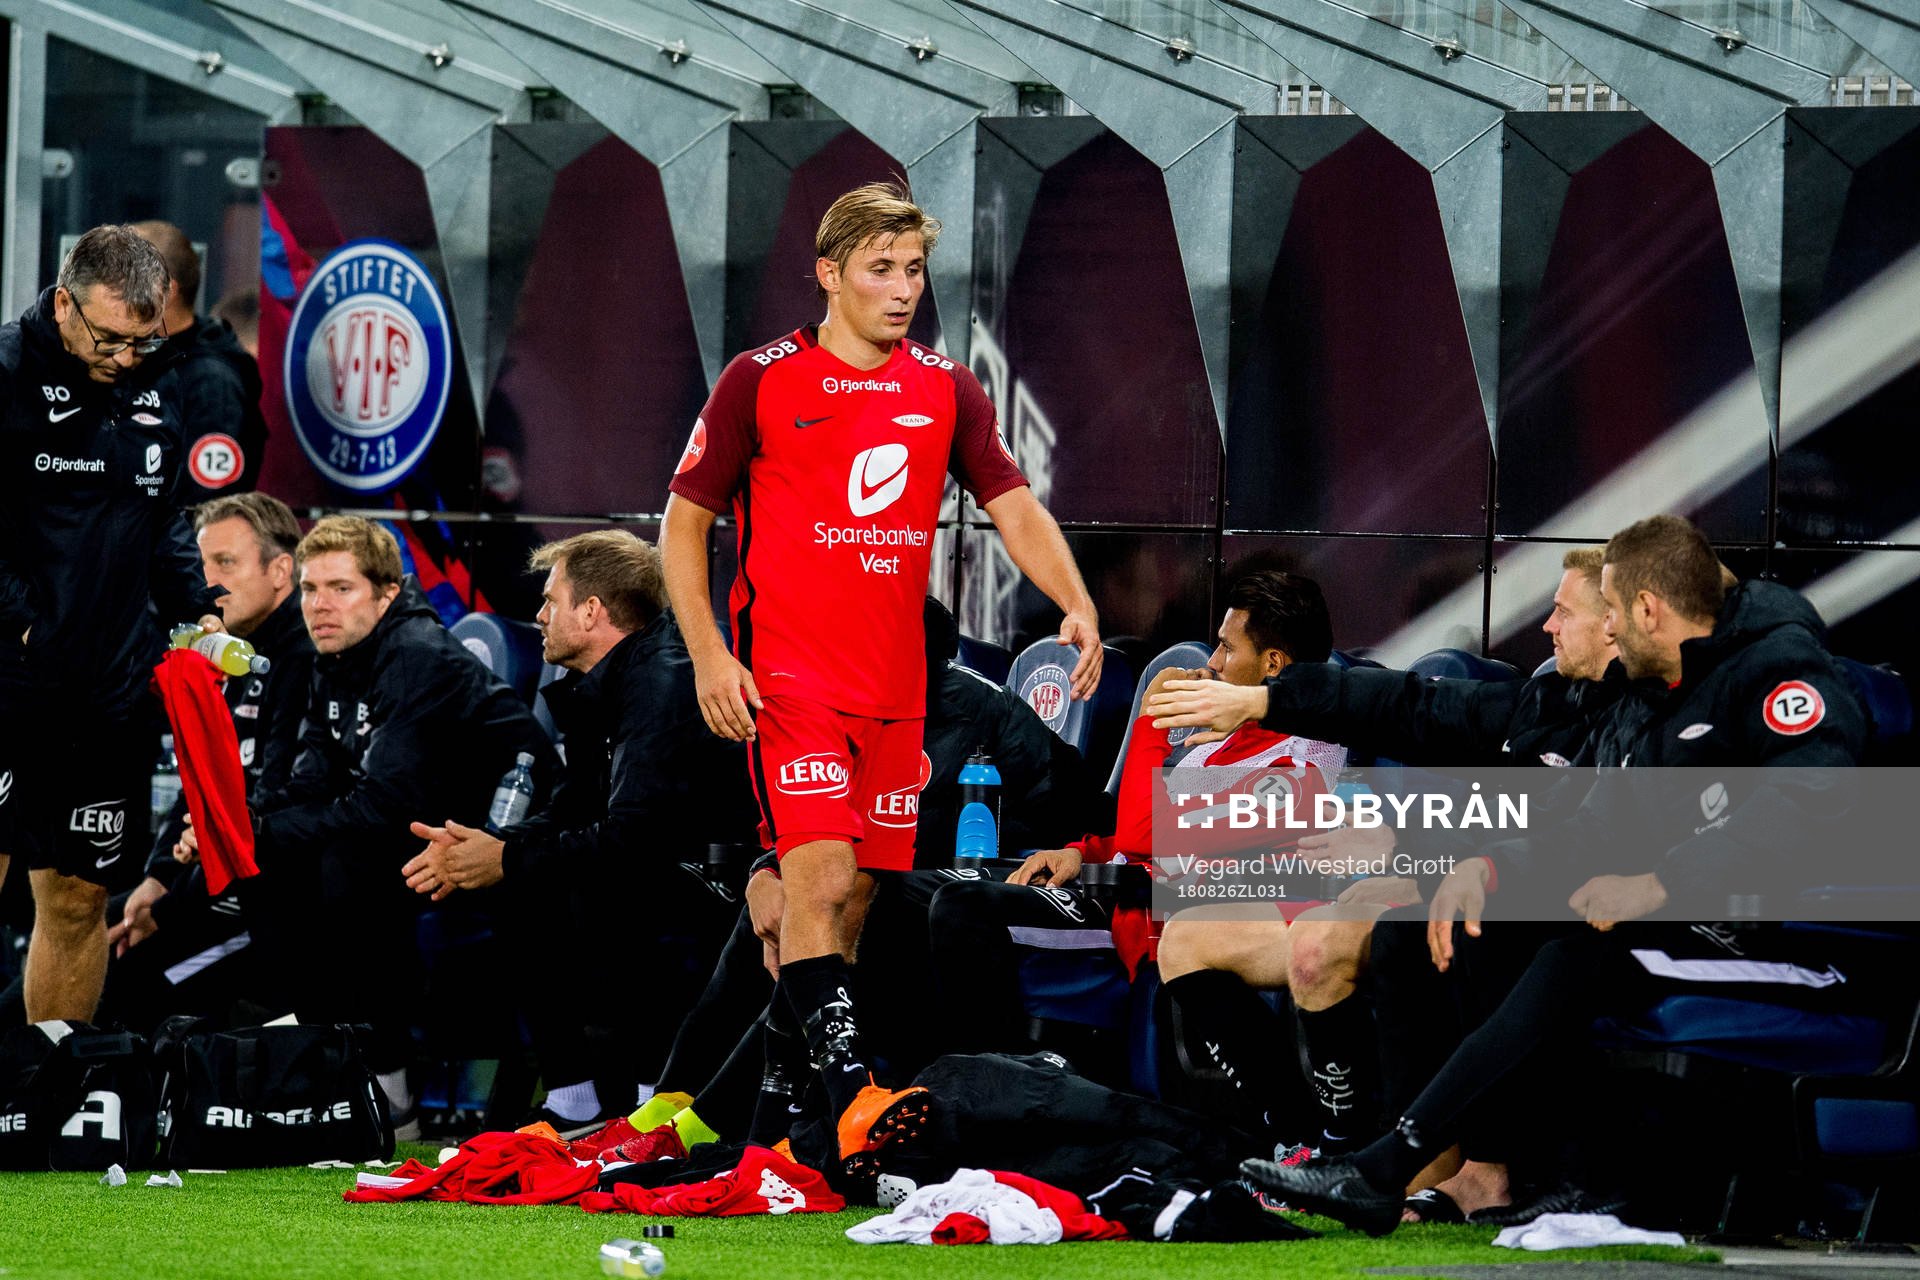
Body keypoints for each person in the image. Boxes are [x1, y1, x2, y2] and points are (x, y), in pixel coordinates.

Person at [1241, 514, 1870, 1234]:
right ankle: (1436, 1167)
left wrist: (1660, 883)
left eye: (1592, 607)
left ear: (1642, 610)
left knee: (1580, 944)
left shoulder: (1778, 668)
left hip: (1797, 942)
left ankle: (1390, 1166)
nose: (1561, 627)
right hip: (1685, 922)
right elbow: (1601, 825)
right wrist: (1487, 867)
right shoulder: (1658, 690)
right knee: (1485, 924)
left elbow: (1815, 802)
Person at [659, 181, 1103, 1170]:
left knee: (854, 901)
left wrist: (1074, 598)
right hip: (790, 681)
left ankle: (785, 1128)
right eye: (881, 270)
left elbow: (1015, 502)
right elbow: (684, 522)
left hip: (900, 688)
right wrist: (709, 655)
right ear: (829, 274)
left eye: (913, 271)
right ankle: (856, 1099)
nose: (902, 290)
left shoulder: (944, 384)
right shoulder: (760, 378)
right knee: (816, 880)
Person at [402, 530, 753, 1126]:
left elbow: (637, 841)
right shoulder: (606, 678)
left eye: (550, 600)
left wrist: (507, 857)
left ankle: (654, 1101)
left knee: (603, 886)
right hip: (661, 864)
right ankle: (574, 1099)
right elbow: (573, 804)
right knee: (522, 885)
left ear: (592, 611)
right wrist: (490, 852)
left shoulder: (664, 682)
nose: (538, 616)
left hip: (721, 881)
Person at [216, 516, 555, 1127]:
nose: (320, 606)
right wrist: (242, 827)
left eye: (341, 588)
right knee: (269, 866)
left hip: (509, 836)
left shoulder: (415, 656)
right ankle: (329, 1063)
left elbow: (381, 808)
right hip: (420, 827)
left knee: (348, 866)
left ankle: (389, 1091)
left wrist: (259, 831)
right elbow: (314, 779)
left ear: (387, 593)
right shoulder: (337, 654)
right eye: (312, 589)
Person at [0, 225, 225, 1022]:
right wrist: (26, 627)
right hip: (8, 682)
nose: (127, 356)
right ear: (63, 303)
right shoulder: (6, 373)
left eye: (145, 338)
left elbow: (160, 515)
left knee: (75, 900)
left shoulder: (152, 380)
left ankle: (46, 1094)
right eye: (110, 338)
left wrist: (200, 607)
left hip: (108, 697)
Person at [101, 492, 316, 1028]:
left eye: (226, 562)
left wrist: (168, 906)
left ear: (280, 570)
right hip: (204, 884)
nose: (209, 582)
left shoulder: (306, 654)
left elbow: (268, 807)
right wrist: (158, 877)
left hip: (274, 902)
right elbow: (198, 780)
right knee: (78, 938)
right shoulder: (225, 649)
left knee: (124, 986)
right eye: (201, 565)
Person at [131, 222, 266, 499]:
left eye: (126, 282)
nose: (113, 292)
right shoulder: (135, 358)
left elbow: (207, 501)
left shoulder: (211, 382)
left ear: (165, 291)